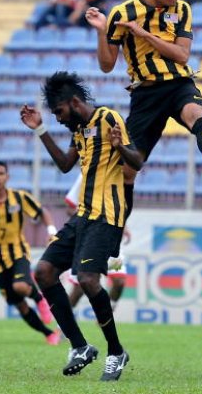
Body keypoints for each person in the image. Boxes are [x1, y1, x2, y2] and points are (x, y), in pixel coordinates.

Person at [21, 71, 142, 380]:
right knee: (44, 272)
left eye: (59, 111)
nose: (59, 118)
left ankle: (116, 352)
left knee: (88, 279)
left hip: (106, 216)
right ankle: (80, 346)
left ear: (74, 102)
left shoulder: (108, 118)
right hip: (82, 216)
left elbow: (137, 162)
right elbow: (65, 165)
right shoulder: (80, 130)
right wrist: (40, 129)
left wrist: (120, 147)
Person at [86, 0, 202, 192]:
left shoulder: (182, 9)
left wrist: (144, 35)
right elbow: (106, 66)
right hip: (146, 93)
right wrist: (101, 31)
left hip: (178, 83)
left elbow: (182, 55)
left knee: (196, 114)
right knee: (128, 170)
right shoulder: (122, 14)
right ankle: (119, 215)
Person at [0, 160, 59, 345]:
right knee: (19, 304)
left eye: (1, 174)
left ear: (7, 177)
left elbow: (42, 212)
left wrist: (51, 230)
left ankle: (40, 299)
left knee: (20, 286)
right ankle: (48, 334)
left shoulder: (19, 197)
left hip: (18, 250)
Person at [63, 178, 129, 312]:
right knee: (80, 288)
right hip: (88, 240)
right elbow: (70, 208)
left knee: (119, 281)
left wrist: (123, 226)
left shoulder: (118, 176)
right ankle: (62, 321)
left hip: (110, 240)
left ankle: (106, 314)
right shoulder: (86, 175)